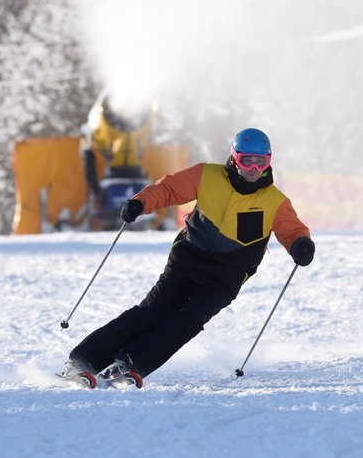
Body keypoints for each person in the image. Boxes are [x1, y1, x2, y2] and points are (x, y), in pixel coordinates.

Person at [62, 127, 315, 387]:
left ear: (268, 162)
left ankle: (131, 364)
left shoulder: (274, 201)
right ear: (234, 157)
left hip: (227, 274)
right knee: (153, 310)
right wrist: (141, 203)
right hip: (188, 257)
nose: (253, 167)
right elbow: (169, 189)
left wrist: (300, 245)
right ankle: (84, 359)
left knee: (190, 319)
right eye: (246, 160)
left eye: (260, 161)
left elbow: (292, 229)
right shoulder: (208, 175)